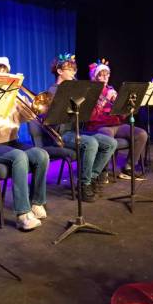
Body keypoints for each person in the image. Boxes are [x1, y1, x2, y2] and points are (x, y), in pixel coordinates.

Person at [0, 57, 49, 231]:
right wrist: (2, 108)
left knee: (41, 155)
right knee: (19, 157)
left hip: (11, 143)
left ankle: (36, 202)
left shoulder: (13, 96)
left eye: (5, 75)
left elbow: (23, 119)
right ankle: (22, 214)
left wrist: (29, 110)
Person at [46, 53, 118, 202]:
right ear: (59, 71)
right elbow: (51, 119)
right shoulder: (52, 91)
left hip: (74, 131)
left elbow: (85, 115)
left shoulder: (75, 89)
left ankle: (91, 177)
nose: (74, 73)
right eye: (70, 69)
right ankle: (84, 184)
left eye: (74, 70)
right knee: (91, 143)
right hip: (61, 134)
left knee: (111, 143)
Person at [85, 59, 148, 182]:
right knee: (108, 138)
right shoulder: (90, 91)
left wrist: (123, 105)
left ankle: (129, 167)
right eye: (101, 75)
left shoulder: (111, 89)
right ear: (95, 76)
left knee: (141, 134)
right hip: (99, 125)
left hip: (116, 124)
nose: (105, 77)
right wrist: (105, 100)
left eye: (107, 74)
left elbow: (122, 117)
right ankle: (102, 171)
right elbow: (90, 116)